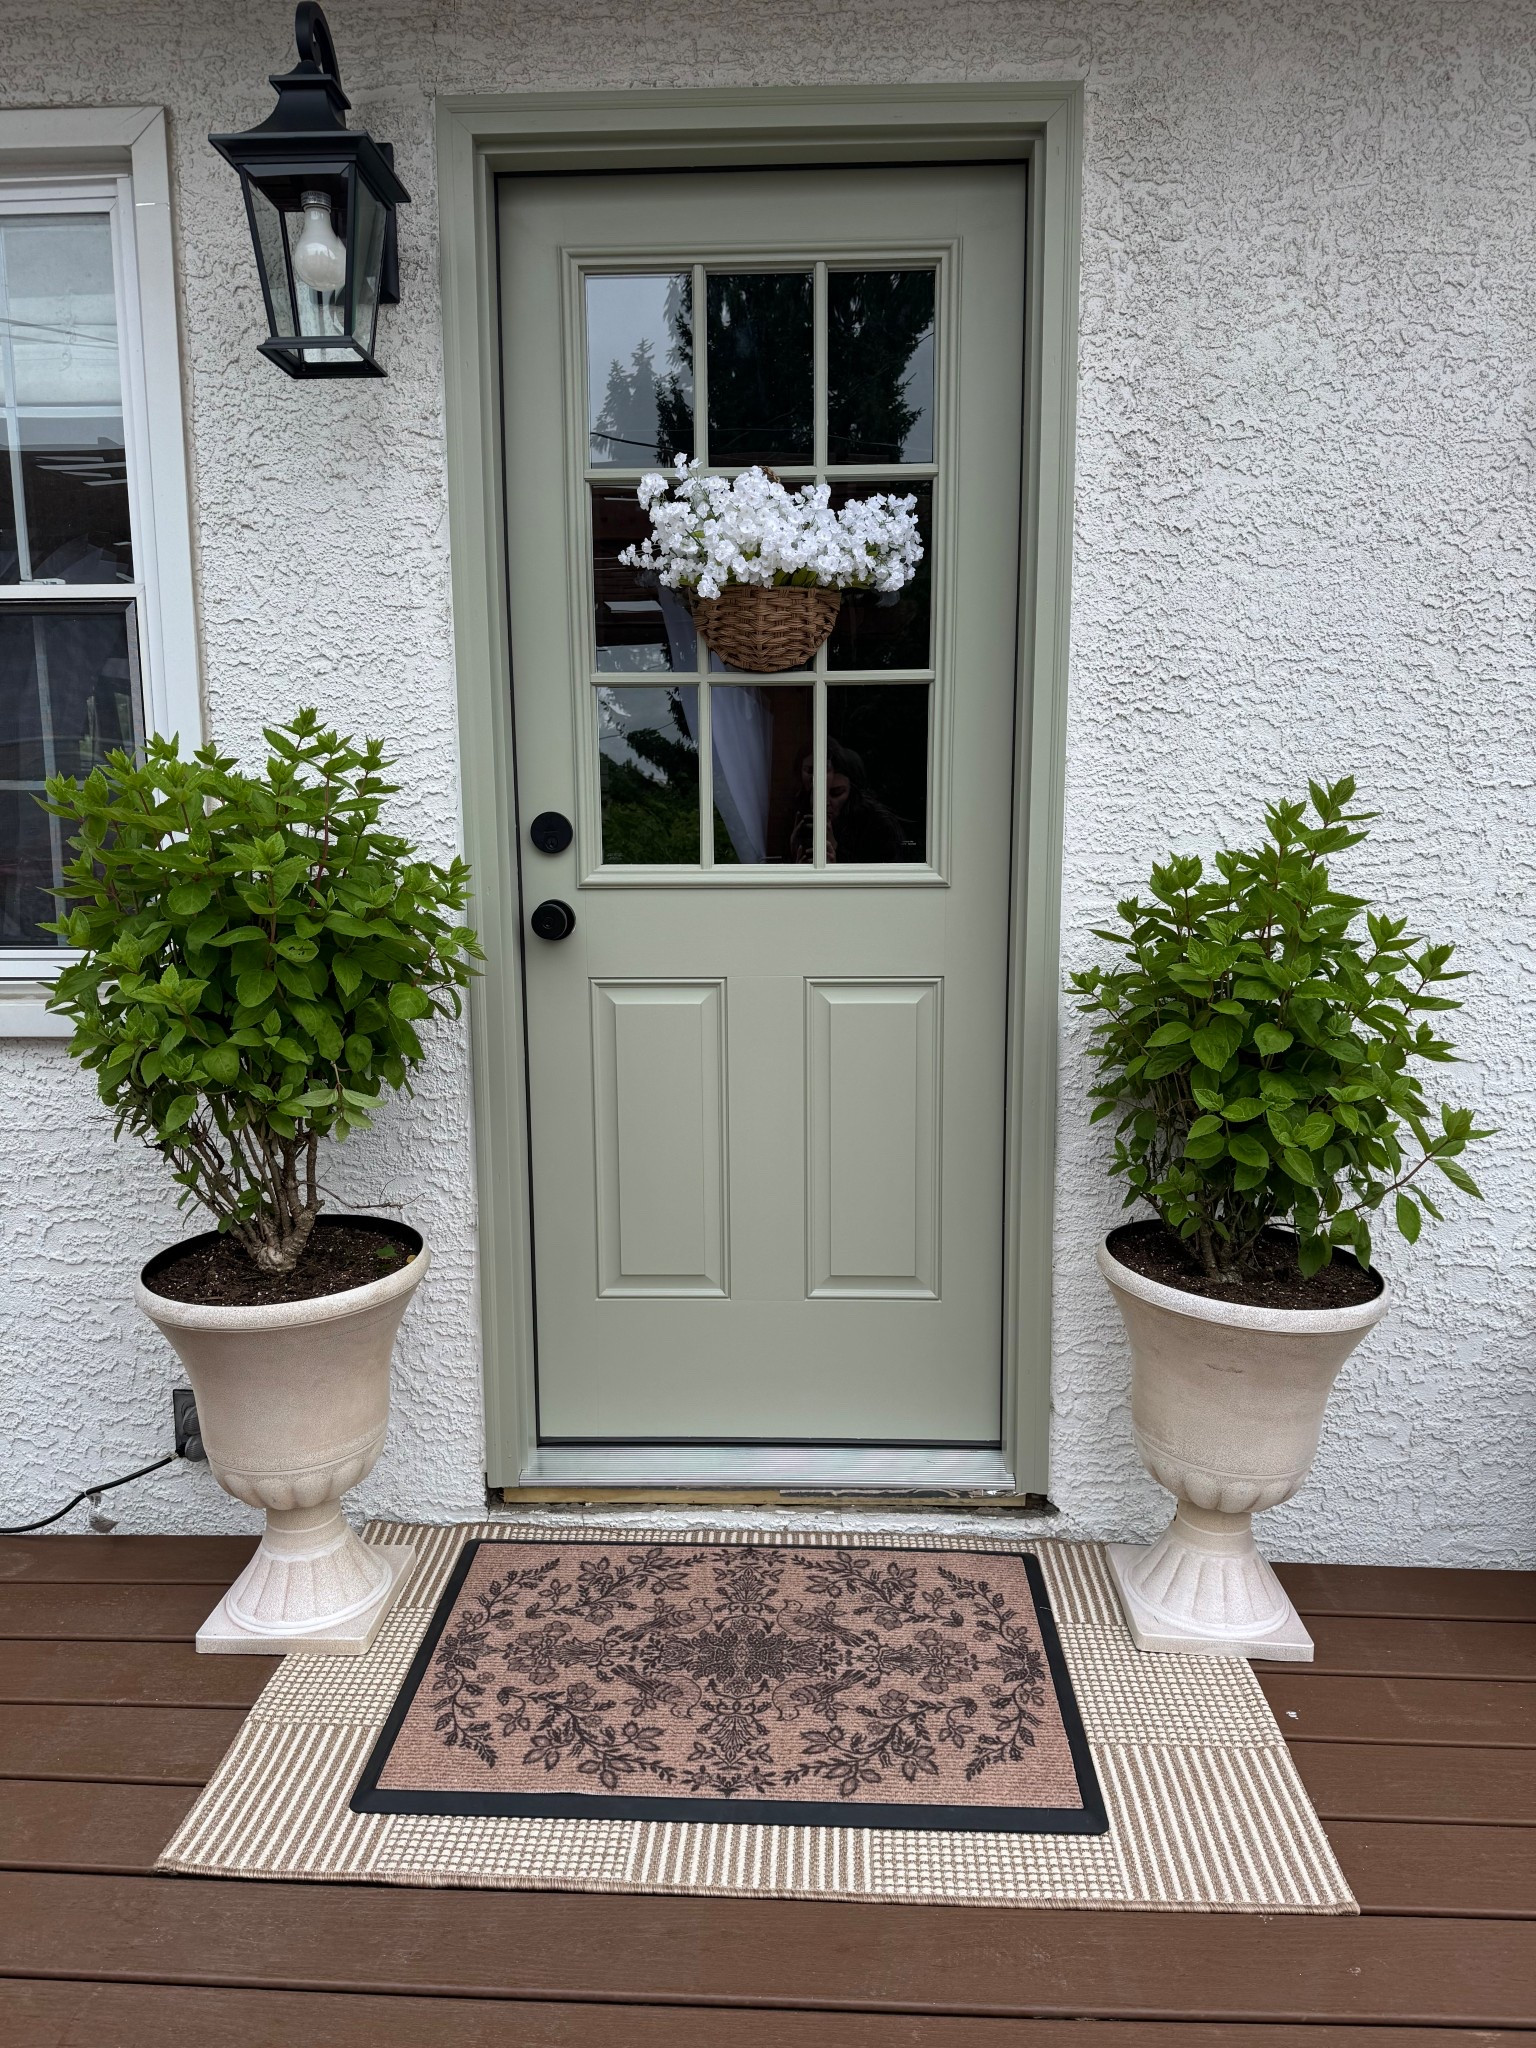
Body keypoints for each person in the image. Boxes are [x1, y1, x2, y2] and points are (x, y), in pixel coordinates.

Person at [788, 739, 907, 863]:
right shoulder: (802, 815)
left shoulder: (877, 825)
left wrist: (837, 851)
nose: (826, 802)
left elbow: (883, 875)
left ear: (852, 792)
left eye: (836, 793)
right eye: (819, 793)